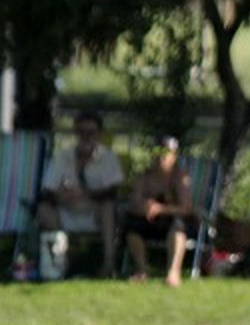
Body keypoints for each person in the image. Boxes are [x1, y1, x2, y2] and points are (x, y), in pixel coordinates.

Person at [37, 110, 124, 278]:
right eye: (81, 132)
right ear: (75, 133)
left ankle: (108, 264)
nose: (86, 136)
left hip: (95, 211)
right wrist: (61, 196)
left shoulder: (108, 158)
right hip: (66, 209)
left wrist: (85, 194)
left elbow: (112, 192)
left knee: (108, 208)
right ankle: (61, 261)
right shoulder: (62, 157)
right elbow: (47, 190)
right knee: (44, 210)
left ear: (99, 133)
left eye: (90, 132)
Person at [123, 136, 194, 287]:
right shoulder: (144, 176)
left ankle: (173, 273)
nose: (161, 157)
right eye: (158, 152)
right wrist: (145, 206)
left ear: (174, 156)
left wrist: (161, 209)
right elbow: (134, 202)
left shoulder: (180, 178)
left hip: (172, 222)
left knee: (178, 228)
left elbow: (186, 208)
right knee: (132, 228)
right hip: (148, 220)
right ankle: (142, 271)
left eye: (167, 153)